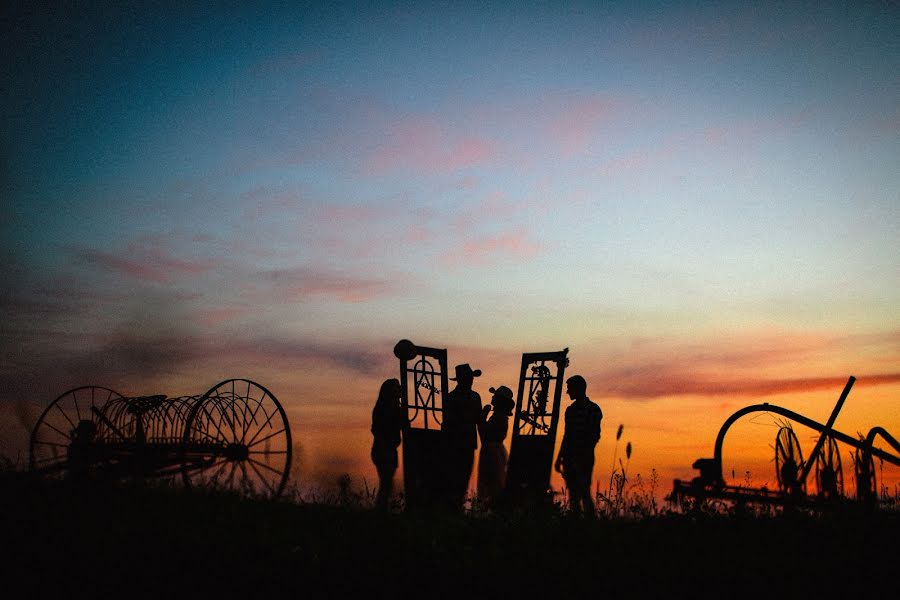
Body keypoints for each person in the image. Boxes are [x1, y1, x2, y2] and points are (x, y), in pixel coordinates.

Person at [554, 375, 602, 516]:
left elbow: (594, 435)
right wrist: (560, 458)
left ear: (579, 388)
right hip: (569, 458)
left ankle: (590, 519)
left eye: (570, 388)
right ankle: (576, 522)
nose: (567, 392)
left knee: (584, 490)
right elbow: (567, 435)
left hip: (583, 457)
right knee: (573, 494)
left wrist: (580, 453)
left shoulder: (593, 409)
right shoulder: (570, 410)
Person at [441, 363, 483, 511]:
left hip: (466, 444)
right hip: (455, 445)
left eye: (471, 378)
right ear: (461, 379)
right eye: (469, 377)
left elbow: (479, 421)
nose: (471, 380)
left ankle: (456, 509)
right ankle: (453, 510)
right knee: (454, 479)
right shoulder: (453, 398)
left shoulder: (454, 397)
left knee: (463, 478)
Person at [477, 384, 515, 509]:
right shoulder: (500, 416)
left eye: (495, 396)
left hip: (491, 452)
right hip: (494, 451)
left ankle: (493, 509)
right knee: (494, 481)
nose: (492, 398)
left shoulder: (498, 417)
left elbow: (484, 434)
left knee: (492, 481)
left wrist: (483, 415)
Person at [371, 378, 405, 511]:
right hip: (384, 449)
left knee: (387, 484)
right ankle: (381, 511)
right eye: (396, 387)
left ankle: (382, 510)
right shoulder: (385, 408)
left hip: (387, 450)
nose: (399, 390)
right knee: (386, 484)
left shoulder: (391, 407)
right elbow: (377, 429)